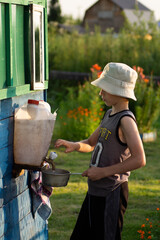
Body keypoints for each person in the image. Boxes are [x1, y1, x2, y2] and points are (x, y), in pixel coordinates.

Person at [55, 62, 146, 240]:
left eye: (105, 88)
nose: (100, 93)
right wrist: (75, 145)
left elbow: (140, 159)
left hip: (112, 192)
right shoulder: (109, 115)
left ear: (120, 91)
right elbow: (90, 142)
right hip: (95, 191)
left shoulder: (126, 120)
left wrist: (103, 172)